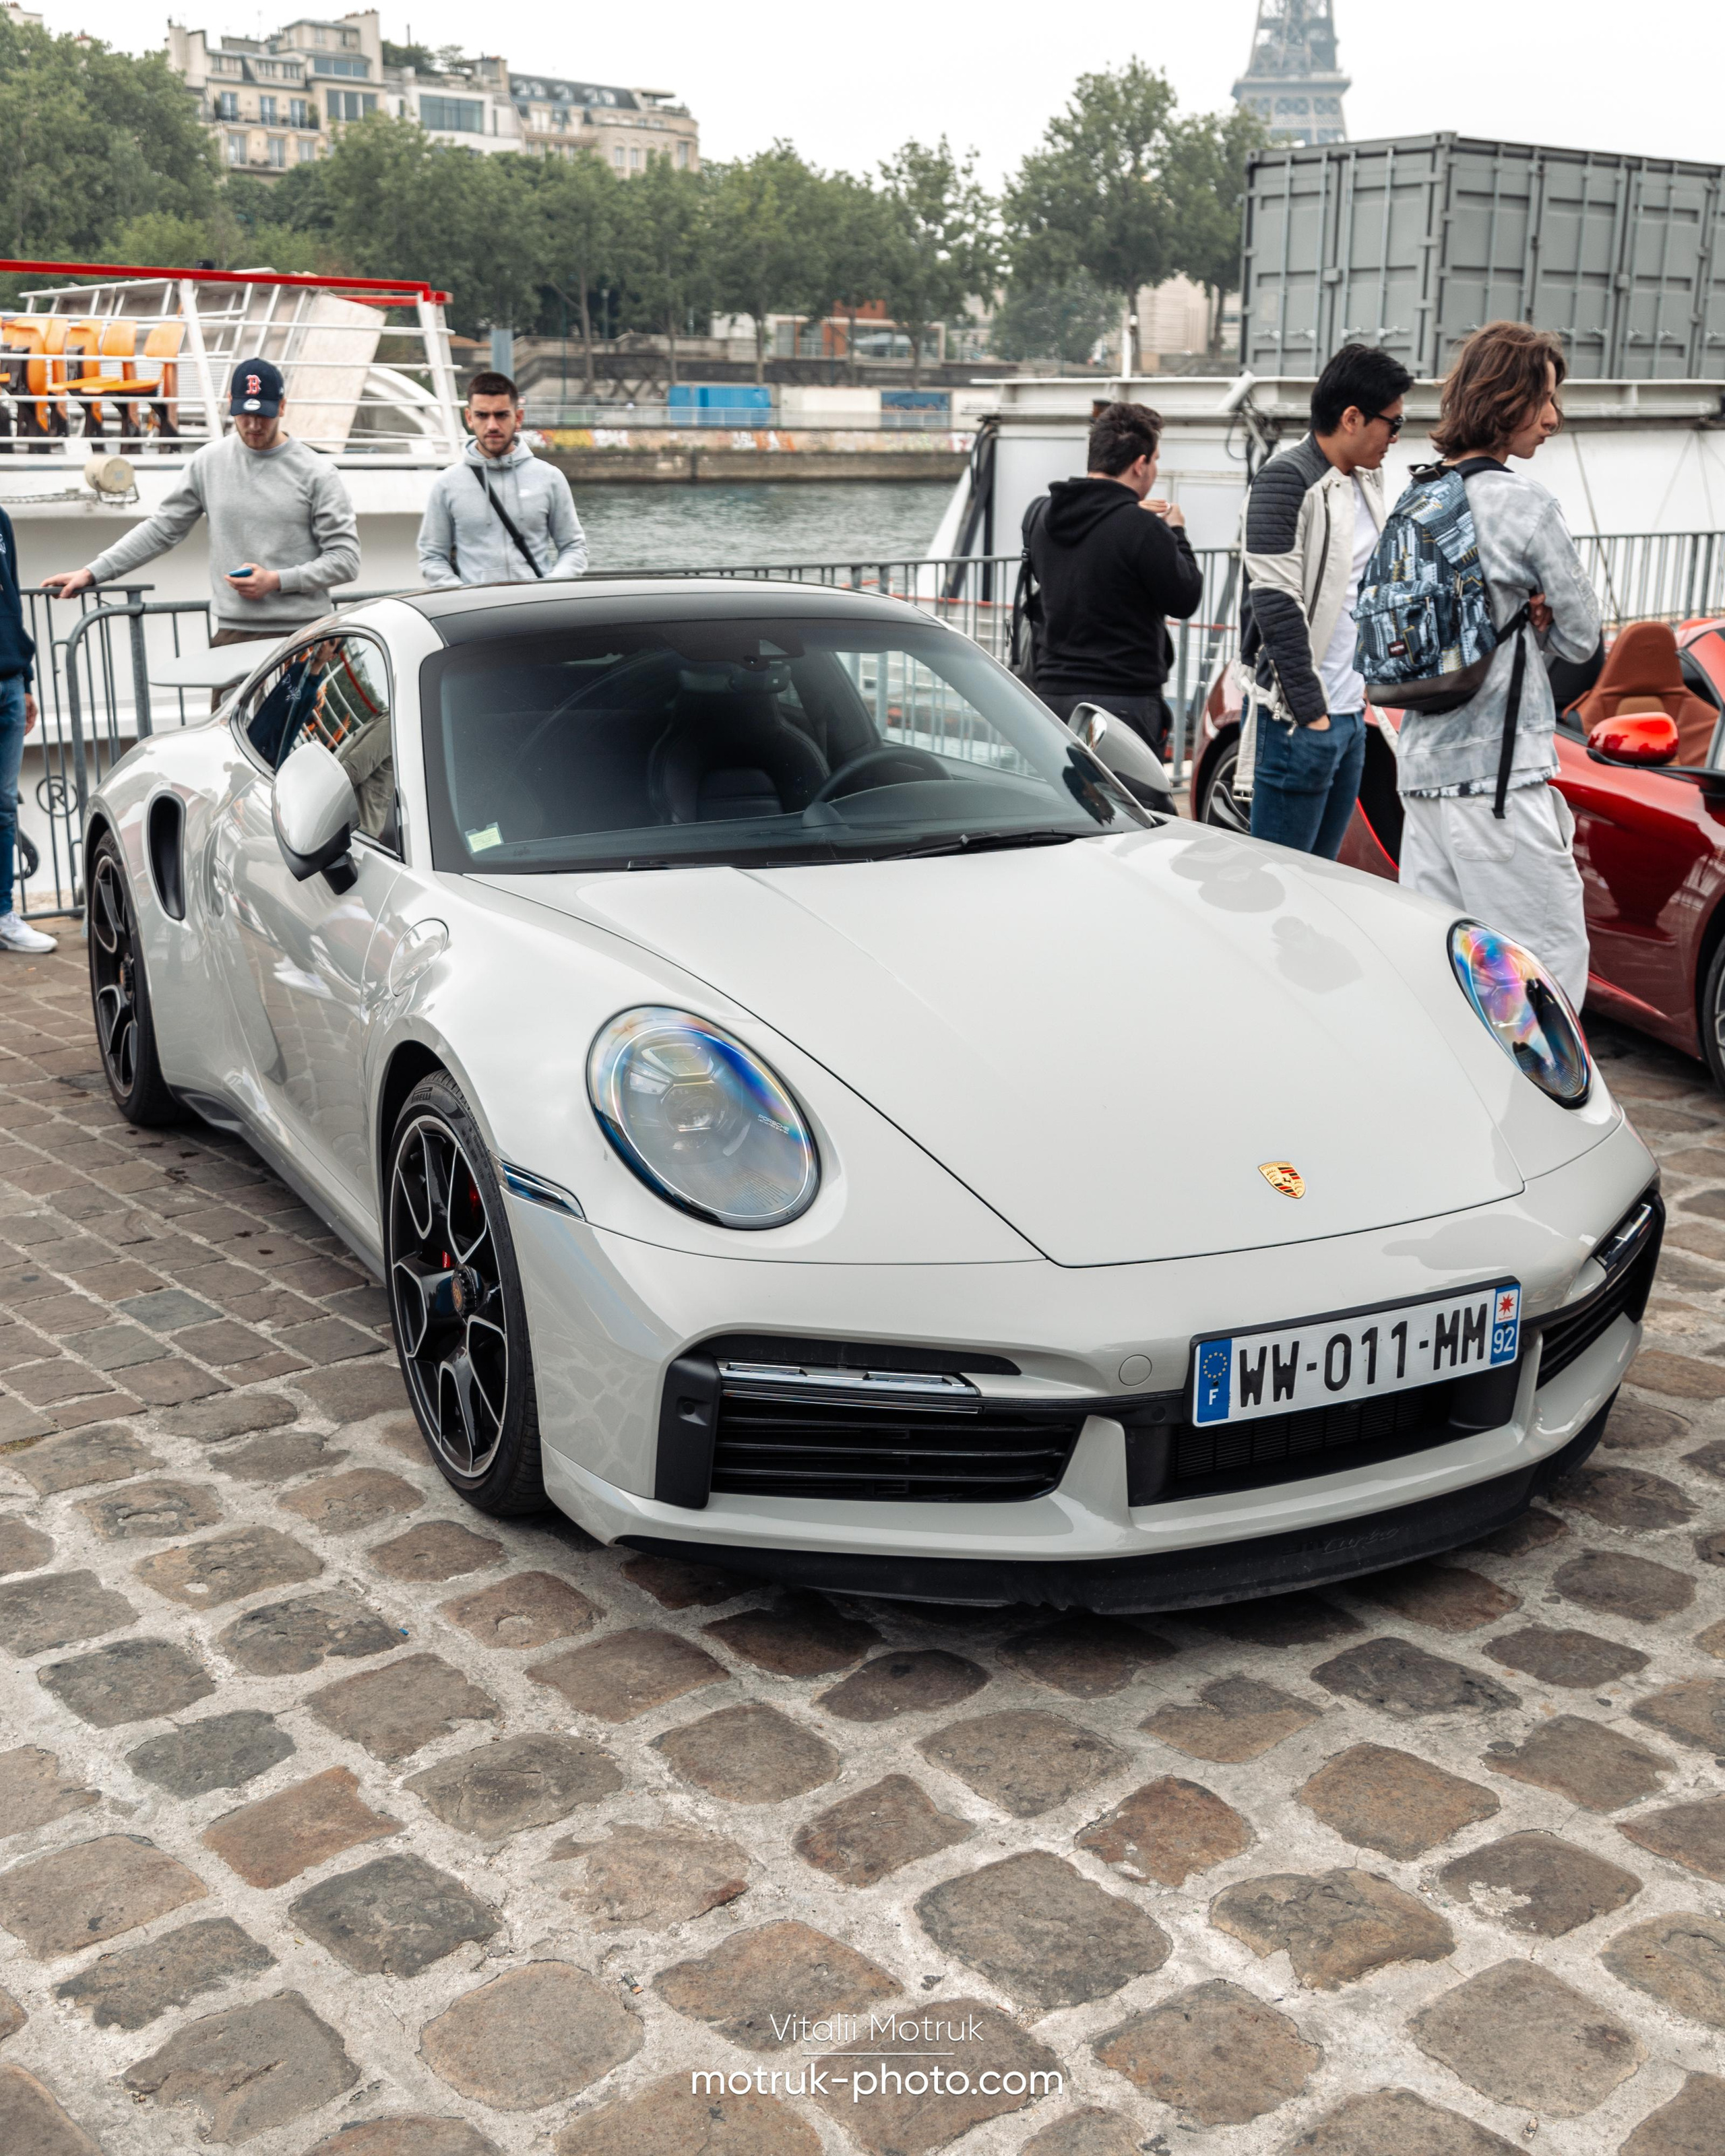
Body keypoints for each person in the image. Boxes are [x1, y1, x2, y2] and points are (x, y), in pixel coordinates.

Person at [1395, 321, 1599, 1007]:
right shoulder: (1524, 503)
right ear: (1504, 399)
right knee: (1544, 969)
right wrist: (1534, 629)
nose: (1551, 419)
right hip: (1499, 780)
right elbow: (1582, 639)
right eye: (1542, 399)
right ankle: (1537, 1114)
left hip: (1421, 775)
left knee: (1443, 977)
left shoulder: (1417, 496)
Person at [42, 360, 360, 674]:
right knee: (226, 728)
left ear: (282, 407)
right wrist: (92, 572)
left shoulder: (318, 472)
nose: (252, 425)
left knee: (303, 728)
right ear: (230, 406)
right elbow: (162, 529)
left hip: (305, 637)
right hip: (233, 636)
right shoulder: (208, 462)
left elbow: (346, 560)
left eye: (262, 414)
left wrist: (276, 581)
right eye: (244, 414)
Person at [1238, 342, 1414, 856]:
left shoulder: (1365, 481)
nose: (1397, 437)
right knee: (1280, 885)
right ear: (1353, 418)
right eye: (1393, 424)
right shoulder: (1285, 480)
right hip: (1300, 723)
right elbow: (1275, 603)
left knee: (1323, 887)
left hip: (1350, 718)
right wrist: (1314, 715)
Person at [1023, 401, 1201, 759]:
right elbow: (1185, 597)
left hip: (1051, 695)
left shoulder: (1041, 514)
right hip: (1122, 705)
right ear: (1140, 464)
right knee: (1129, 811)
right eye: (1155, 460)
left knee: (1065, 810)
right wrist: (1177, 532)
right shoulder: (1142, 528)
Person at [417, 372, 588, 587]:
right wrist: (462, 596)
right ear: (469, 418)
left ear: (518, 418)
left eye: (501, 415)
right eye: (482, 415)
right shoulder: (447, 484)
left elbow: (574, 547)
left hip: (538, 610)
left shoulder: (550, 478)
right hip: (476, 613)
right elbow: (432, 557)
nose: (492, 426)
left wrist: (550, 588)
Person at [0, 501, 54, 955]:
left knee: (2, 807)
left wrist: (27, 680)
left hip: (10, 683)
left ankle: (4, 916)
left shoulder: (0, 520)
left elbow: (11, 597)